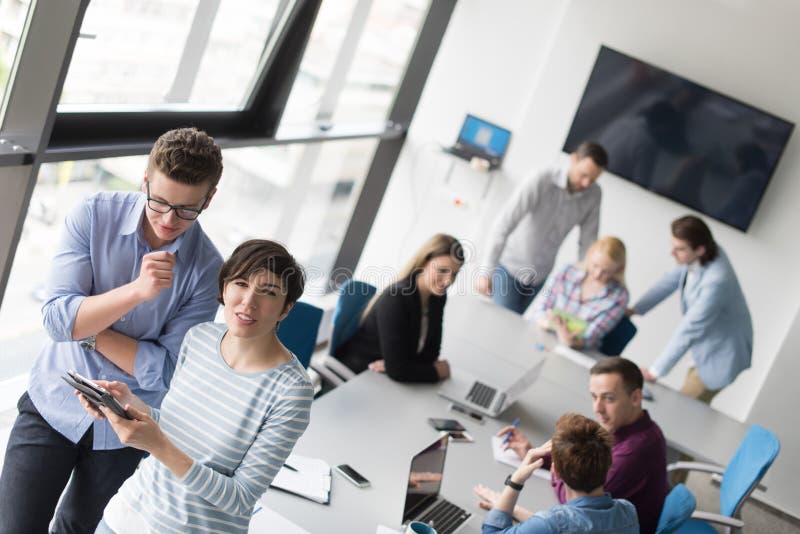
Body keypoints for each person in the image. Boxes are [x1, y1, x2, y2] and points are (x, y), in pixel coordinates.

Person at [0, 127, 224, 534]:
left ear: (209, 197)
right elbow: (55, 319)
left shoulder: (207, 269)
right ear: (144, 179)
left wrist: (86, 327)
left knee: (79, 529)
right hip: (53, 402)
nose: (169, 220)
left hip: (127, 430)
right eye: (158, 202)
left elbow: (168, 370)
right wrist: (136, 292)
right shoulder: (93, 214)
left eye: (187, 210)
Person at [81, 239, 313, 533]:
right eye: (241, 283)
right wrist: (128, 402)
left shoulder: (291, 391)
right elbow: (177, 429)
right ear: (224, 288)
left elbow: (241, 498)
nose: (248, 301)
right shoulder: (200, 337)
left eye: (268, 292)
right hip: (127, 515)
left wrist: (157, 445)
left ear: (285, 309)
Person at [475, 357, 668, 534]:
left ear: (635, 397)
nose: (597, 408)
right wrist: (548, 457)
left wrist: (513, 486)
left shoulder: (635, 452)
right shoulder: (627, 510)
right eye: (594, 396)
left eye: (609, 398)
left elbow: (577, 510)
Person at [630, 215, 752, 403]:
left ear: (700, 250)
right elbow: (670, 281)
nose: (672, 253)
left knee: (681, 410)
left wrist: (655, 371)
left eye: (679, 249)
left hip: (720, 356)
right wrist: (635, 309)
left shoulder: (717, 281)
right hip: (703, 347)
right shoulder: (702, 254)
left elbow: (690, 328)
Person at [478, 142, 608, 314]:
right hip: (508, 268)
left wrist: (585, 282)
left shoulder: (594, 195)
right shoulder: (542, 178)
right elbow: (505, 222)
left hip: (539, 276)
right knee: (503, 326)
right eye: (583, 175)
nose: (586, 183)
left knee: (513, 326)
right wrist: (486, 271)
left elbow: (588, 243)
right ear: (574, 159)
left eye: (592, 179)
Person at [334, 233, 464, 383]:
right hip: (357, 376)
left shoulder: (437, 298)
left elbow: (430, 354)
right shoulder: (396, 298)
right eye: (442, 270)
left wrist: (405, 366)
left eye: (454, 274)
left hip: (386, 381)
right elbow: (399, 370)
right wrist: (436, 371)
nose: (448, 281)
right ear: (424, 262)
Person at [480, 413, 639, 534]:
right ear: (608, 464)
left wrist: (515, 481)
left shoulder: (552, 523)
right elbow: (567, 524)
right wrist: (513, 510)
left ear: (554, 471)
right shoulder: (628, 513)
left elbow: (492, 531)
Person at [530, 237, 629, 350]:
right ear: (589, 255)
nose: (597, 274)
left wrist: (571, 341)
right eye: (595, 265)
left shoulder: (619, 297)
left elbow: (593, 335)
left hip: (577, 350)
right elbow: (542, 303)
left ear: (618, 269)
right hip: (541, 334)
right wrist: (545, 322)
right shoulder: (565, 271)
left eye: (606, 271)